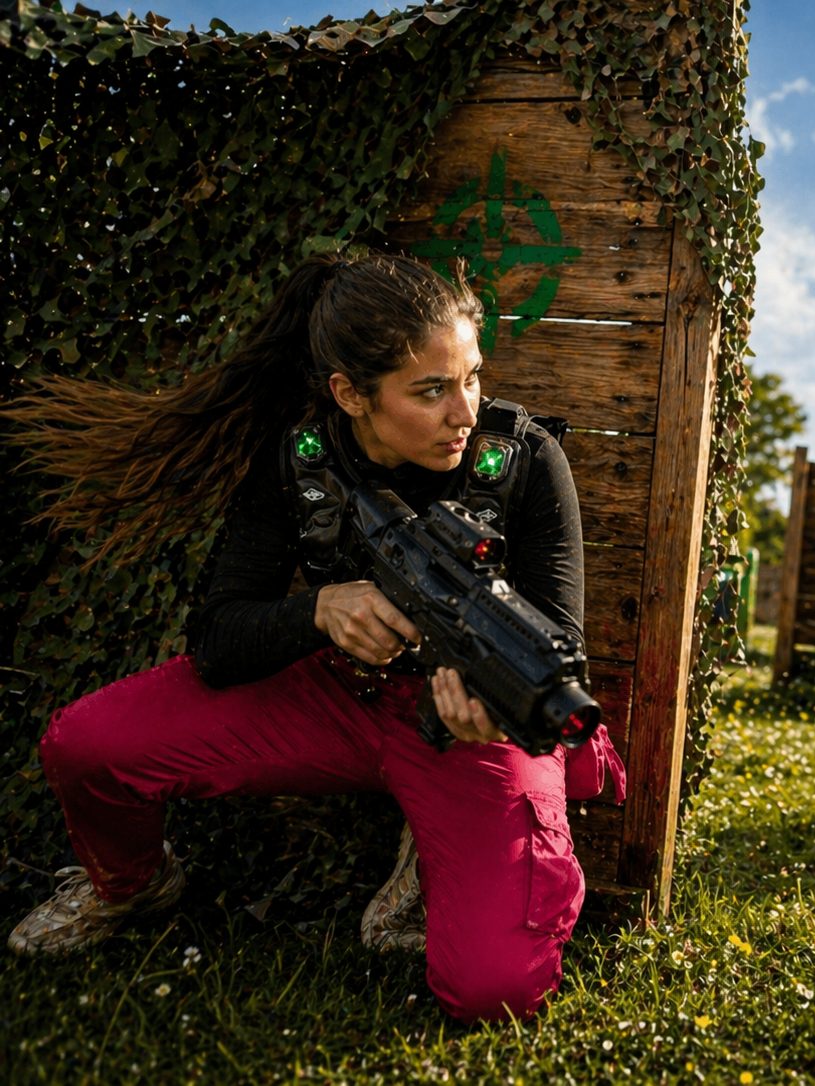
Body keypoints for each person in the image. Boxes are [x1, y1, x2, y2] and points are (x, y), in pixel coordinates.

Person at [3, 254, 625, 1022]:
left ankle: (431, 862)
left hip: (471, 727)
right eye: (431, 390)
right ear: (351, 395)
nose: (464, 410)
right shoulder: (304, 462)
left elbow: (562, 642)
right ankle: (131, 887)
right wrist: (320, 611)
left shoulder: (524, 462)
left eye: (471, 376)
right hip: (333, 694)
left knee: (495, 989)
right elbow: (218, 639)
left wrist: (496, 714)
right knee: (85, 747)